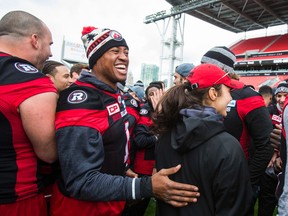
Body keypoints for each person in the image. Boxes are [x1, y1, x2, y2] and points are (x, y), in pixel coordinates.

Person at [50, 26, 200, 216]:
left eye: (126, 52)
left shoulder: (112, 93)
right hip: (82, 209)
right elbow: (80, 180)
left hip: (110, 202)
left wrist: (120, 169)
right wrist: (144, 186)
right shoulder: (83, 98)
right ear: (96, 58)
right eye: (115, 51)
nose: (124, 57)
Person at [153, 63, 253, 215]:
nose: (231, 97)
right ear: (213, 93)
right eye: (229, 90)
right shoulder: (228, 148)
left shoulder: (164, 136)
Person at [201, 46, 273, 215]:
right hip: (203, 181)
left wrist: (245, 182)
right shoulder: (198, 93)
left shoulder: (249, 96)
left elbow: (266, 145)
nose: (201, 69)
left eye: (206, 65)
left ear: (223, 70)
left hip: (234, 184)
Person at [0, 10, 58, 216]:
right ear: (35, 40)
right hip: (15, 198)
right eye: (49, 44)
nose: (50, 53)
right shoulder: (30, 81)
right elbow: (49, 153)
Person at [258, 82, 288, 215]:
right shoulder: (269, 112)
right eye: (279, 96)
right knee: (266, 202)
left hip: (285, 166)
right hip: (269, 167)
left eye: (285, 95)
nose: (281, 99)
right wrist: (273, 153)